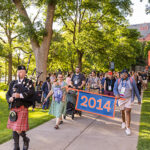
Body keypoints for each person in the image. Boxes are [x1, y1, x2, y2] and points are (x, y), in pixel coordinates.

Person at [6, 65, 35, 150]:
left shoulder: (29, 82)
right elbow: (8, 94)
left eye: (21, 71)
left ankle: (25, 140)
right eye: (18, 71)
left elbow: (31, 93)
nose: (19, 73)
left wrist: (20, 95)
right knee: (14, 128)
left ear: (25, 73)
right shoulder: (13, 82)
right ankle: (16, 146)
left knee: (18, 129)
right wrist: (9, 99)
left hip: (22, 107)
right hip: (13, 108)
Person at [113, 69, 141, 136]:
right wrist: (116, 94)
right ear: (120, 75)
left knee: (127, 112)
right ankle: (123, 122)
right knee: (122, 112)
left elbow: (136, 90)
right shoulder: (118, 81)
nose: (124, 75)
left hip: (129, 99)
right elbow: (114, 89)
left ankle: (128, 128)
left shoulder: (131, 80)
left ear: (127, 74)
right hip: (121, 99)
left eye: (125, 74)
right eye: (122, 74)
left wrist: (139, 99)